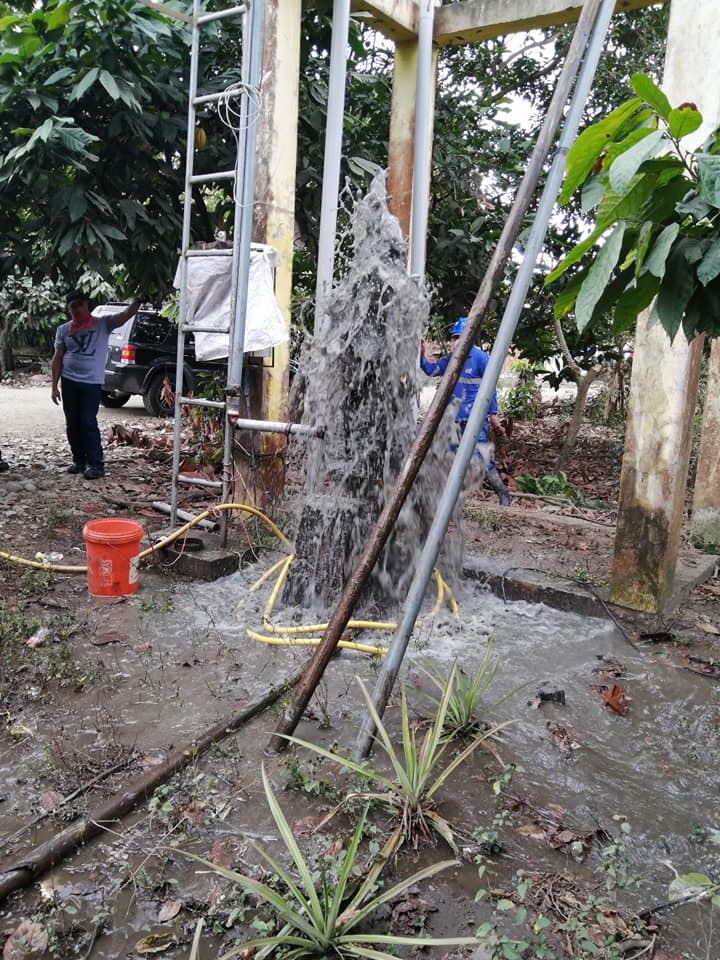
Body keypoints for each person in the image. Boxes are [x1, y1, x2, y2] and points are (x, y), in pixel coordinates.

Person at [420, 316, 511, 506]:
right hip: (454, 418)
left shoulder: (481, 359)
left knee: (480, 456)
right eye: (454, 337)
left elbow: (491, 388)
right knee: (449, 455)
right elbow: (432, 370)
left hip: (475, 419)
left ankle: (503, 494)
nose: (454, 341)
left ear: (470, 338)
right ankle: (449, 499)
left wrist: (493, 416)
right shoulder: (452, 359)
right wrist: (421, 356)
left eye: (458, 337)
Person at [51, 290, 142, 479]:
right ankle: (79, 461)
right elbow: (58, 357)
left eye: (80, 305)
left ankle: (96, 464)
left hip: (91, 382)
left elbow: (125, 315)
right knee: (72, 423)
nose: (77, 309)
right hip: (69, 381)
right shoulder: (63, 330)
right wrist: (54, 386)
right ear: (69, 309)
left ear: (87, 306)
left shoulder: (102, 324)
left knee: (88, 422)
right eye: (73, 306)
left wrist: (139, 299)